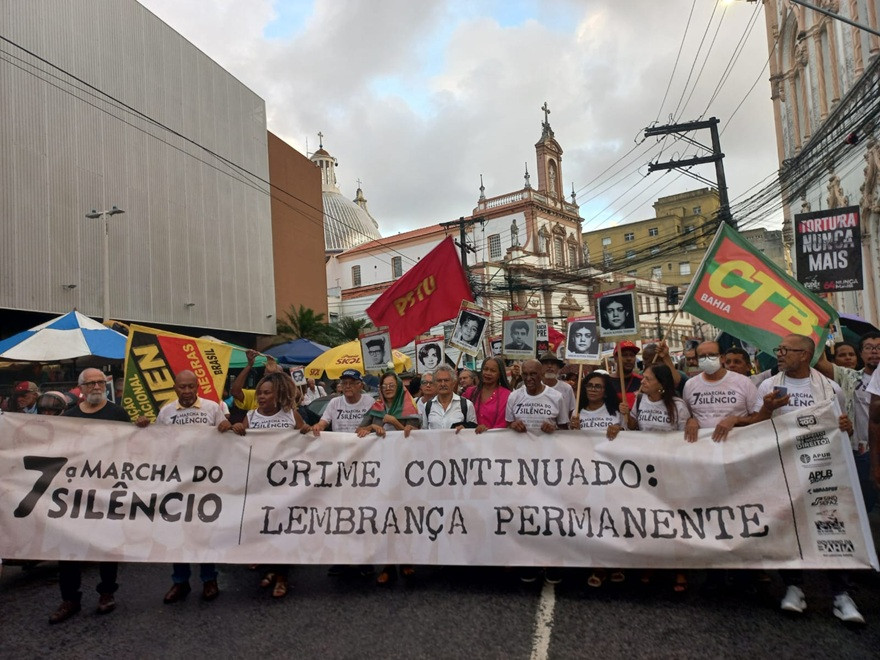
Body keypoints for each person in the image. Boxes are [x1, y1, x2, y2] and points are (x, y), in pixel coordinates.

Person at [751, 334, 862, 625]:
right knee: (788, 527)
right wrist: (768, 409)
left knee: (830, 527)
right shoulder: (767, 386)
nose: (780, 354)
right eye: (779, 348)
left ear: (805, 355)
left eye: (786, 350)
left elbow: (844, 431)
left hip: (821, 471)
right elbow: (754, 428)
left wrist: (845, 427)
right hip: (782, 469)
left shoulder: (830, 388)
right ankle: (794, 587)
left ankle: (841, 594)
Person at [49, 368, 139, 624]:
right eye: (91, 383)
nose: (97, 386)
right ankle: (70, 599)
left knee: (106, 544)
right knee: (68, 547)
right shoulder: (69, 417)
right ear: (82, 388)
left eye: (101, 382)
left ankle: (106, 593)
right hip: (75, 493)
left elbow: (131, 448)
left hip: (108, 491)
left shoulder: (118, 413)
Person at [154, 371, 229, 604]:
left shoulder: (212, 408)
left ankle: (209, 579)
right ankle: (180, 581)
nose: (186, 392)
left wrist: (227, 425)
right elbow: (156, 442)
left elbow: (227, 435)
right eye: (182, 387)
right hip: (176, 481)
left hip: (207, 480)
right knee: (179, 533)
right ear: (174, 388)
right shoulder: (166, 412)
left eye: (191, 387)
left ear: (198, 387)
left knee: (204, 531)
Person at [230, 372, 303, 599]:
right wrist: (237, 430)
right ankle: (272, 568)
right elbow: (239, 447)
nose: (261, 397)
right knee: (265, 526)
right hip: (260, 483)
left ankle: (282, 577)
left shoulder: (291, 415)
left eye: (266, 392)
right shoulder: (251, 417)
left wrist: (309, 431)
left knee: (282, 529)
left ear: (278, 394)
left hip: (286, 483)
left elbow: (308, 439)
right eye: (259, 392)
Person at [620, 364, 689, 593]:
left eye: (647, 379)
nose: (642, 382)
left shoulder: (678, 405)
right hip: (644, 470)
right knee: (649, 518)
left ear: (661, 383)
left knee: (673, 519)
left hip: (670, 470)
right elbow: (633, 429)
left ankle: (679, 568)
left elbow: (684, 439)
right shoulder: (639, 401)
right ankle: (651, 563)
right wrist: (625, 416)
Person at [506, 359, 568, 584]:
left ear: (542, 373)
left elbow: (565, 431)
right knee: (526, 515)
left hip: (550, 466)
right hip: (521, 467)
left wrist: (555, 430)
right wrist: (513, 425)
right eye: (525, 375)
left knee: (550, 515)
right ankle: (529, 561)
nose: (530, 378)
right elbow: (506, 428)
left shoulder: (556, 397)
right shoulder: (514, 397)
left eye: (534, 373)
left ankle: (552, 563)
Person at [356, 372, 421, 585]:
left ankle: (406, 560)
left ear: (399, 387)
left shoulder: (409, 408)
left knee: (404, 515)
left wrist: (396, 423)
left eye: (392, 385)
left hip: (405, 470)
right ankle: (387, 565)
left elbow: (417, 437)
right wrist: (373, 427)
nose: (388, 388)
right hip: (380, 470)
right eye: (385, 385)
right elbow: (360, 429)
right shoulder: (375, 408)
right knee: (385, 516)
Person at [814, 331, 880, 511]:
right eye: (869, 348)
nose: (874, 352)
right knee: (862, 506)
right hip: (860, 452)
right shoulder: (849, 377)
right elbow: (820, 362)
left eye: (879, 348)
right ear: (861, 353)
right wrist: (818, 328)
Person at [682, 341, 760, 443]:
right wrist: (690, 421)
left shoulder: (744, 382)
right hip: (703, 447)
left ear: (722, 358)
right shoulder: (690, 385)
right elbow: (687, 415)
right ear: (697, 360)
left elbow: (758, 417)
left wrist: (736, 420)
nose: (707, 359)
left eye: (712, 355)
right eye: (702, 356)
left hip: (739, 447)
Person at [302, 369, 375, 435]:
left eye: (351, 383)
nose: (347, 386)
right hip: (339, 446)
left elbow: (376, 424)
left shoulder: (370, 401)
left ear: (360, 385)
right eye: (344, 383)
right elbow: (323, 422)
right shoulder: (334, 402)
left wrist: (368, 429)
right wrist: (317, 427)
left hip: (362, 445)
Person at [420, 366, 477, 431]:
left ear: (453, 382)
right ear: (435, 383)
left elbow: (473, 431)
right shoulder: (427, 406)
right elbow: (424, 432)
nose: (443, 384)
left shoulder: (467, 405)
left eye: (446, 380)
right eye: (439, 381)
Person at [464, 357, 512, 433]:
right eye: (485, 369)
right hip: (471, 441)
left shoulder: (507, 395)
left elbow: (506, 423)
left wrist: (487, 430)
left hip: (496, 441)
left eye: (493, 371)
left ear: (500, 374)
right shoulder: (470, 392)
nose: (488, 373)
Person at [539, 352, 576, 420]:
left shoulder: (567, 388)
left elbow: (571, 410)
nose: (549, 366)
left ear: (558, 368)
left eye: (553, 364)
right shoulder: (535, 388)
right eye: (546, 363)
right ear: (540, 368)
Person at [609, 341, 642, 409]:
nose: (629, 359)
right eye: (624, 355)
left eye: (632, 355)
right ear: (615, 358)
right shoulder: (605, 381)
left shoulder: (642, 382)